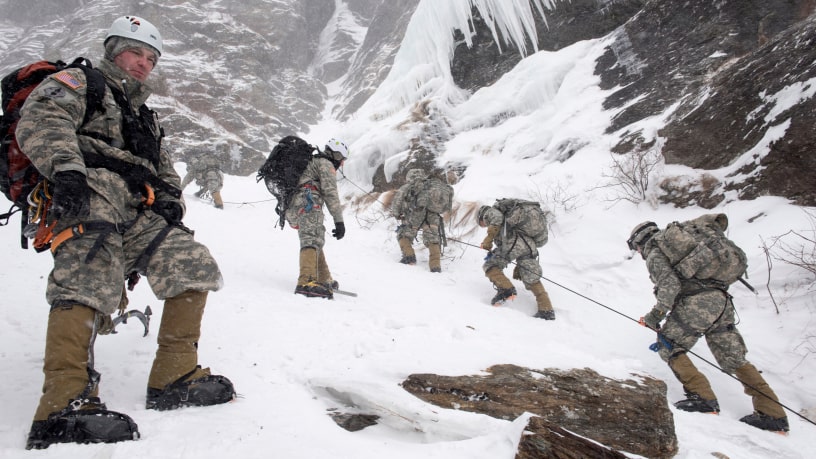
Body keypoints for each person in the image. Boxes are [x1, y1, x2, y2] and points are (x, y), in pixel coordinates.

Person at [16, 16, 235, 449]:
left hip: (137, 205)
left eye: (151, 58)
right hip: (89, 189)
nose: (143, 63)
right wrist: (67, 172)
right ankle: (63, 403)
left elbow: (165, 168)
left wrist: (172, 199)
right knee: (87, 273)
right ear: (115, 50)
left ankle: (174, 375)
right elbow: (42, 117)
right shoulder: (82, 81)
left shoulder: (144, 116)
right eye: (136, 52)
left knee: (192, 262)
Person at [628, 220, 789, 433]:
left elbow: (670, 286)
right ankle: (773, 413)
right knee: (733, 358)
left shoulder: (656, 252)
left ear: (640, 242)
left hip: (697, 302)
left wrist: (654, 316)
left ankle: (702, 398)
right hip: (722, 301)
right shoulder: (687, 242)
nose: (639, 251)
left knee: (669, 345)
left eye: (636, 247)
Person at [284, 138, 347, 298]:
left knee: (316, 237)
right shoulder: (326, 163)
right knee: (311, 239)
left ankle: (323, 278)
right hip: (308, 201)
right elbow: (330, 192)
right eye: (340, 158)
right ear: (335, 154)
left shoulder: (313, 161)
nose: (340, 163)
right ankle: (306, 281)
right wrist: (339, 221)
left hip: (298, 203)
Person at [477, 202, 556, 320]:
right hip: (530, 246)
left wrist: (487, 241)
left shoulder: (489, 212)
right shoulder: (514, 221)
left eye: (481, 224)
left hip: (515, 243)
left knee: (490, 266)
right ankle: (546, 310)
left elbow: (498, 219)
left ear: (481, 216)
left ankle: (506, 290)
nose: (483, 225)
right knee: (531, 277)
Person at [390, 169, 447, 272]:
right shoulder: (432, 186)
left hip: (415, 215)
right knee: (432, 239)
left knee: (403, 235)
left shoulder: (407, 187)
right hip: (432, 216)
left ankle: (409, 257)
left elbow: (396, 203)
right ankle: (435, 266)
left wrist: (397, 214)